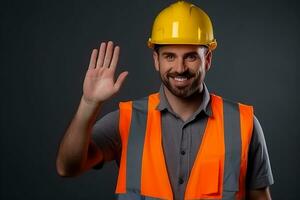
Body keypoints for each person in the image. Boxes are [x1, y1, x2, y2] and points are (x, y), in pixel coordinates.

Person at [56, 1, 274, 199]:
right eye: (170, 56)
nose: (179, 68)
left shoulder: (243, 124)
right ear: (156, 60)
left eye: (190, 56)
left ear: (207, 59)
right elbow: (67, 167)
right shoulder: (127, 120)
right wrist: (88, 103)